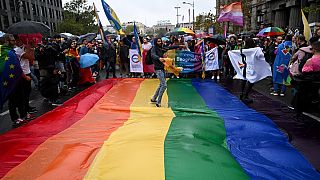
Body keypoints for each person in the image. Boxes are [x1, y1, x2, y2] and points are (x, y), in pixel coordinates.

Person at [150, 38, 183, 107]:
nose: (160, 42)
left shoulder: (162, 48)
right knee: (164, 85)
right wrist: (159, 58)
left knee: (161, 84)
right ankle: (158, 102)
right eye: (158, 41)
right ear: (156, 42)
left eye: (160, 41)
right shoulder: (154, 48)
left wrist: (179, 46)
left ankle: (153, 98)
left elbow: (170, 47)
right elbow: (153, 55)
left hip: (162, 68)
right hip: (158, 69)